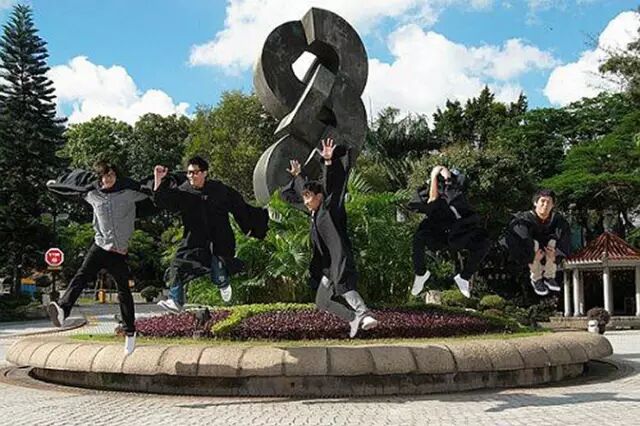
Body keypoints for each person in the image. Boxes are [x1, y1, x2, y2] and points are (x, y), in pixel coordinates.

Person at [46, 161, 151, 355]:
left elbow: (151, 193)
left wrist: (161, 183)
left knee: (123, 290)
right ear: (100, 178)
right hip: (100, 246)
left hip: (118, 252)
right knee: (82, 275)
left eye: (112, 175)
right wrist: (55, 185)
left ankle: (130, 332)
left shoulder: (128, 194)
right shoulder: (92, 195)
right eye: (105, 176)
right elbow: (72, 192)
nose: (109, 178)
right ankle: (62, 309)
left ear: (116, 176)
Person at [282, 138, 377, 338]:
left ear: (320, 197)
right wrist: (298, 176)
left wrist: (328, 162)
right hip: (327, 265)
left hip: (338, 257)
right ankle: (352, 318)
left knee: (343, 285)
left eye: (309, 197)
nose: (305, 201)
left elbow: (331, 186)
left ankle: (364, 314)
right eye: (305, 197)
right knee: (322, 302)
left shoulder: (329, 210)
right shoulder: (314, 212)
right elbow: (297, 191)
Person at [153, 156, 268, 312]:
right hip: (195, 239)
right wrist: (158, 179)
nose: (191, 176)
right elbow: (163, 200)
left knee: (218, 267)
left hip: (220, 237)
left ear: (204, 173)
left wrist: (250, 227)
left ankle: (223, 282)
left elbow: (239, 206)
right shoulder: (184, 192)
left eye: (195, 172)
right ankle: (175, 300)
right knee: (177, 264)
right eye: (189, 173)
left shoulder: (219, 190)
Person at [409, 165, 490, 298]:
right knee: (419, 237)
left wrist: (448, 180)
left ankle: (464, 277)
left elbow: (454, 198)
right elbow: (431, 202)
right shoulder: (429, 192)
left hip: (459, 235)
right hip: (438, 236)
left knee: (484, 243)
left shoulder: (459, 193)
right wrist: (434, 176)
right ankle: (421, 274)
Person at [501, 189, 571, 297]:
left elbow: (564, 239)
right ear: (535, 203)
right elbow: (520, 239)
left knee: (553, 243)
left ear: (553, 205)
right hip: (530, 250)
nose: (545, 205)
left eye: (549, 202)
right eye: (542, 201)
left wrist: (556, 255)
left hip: (547, 251)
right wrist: (531, 256)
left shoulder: (558, 220)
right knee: (533, 244)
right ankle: (536, 279)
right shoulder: (523, 219)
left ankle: (549, 277)